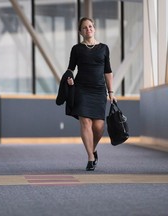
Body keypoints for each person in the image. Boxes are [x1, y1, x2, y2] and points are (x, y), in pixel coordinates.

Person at [66, 17, 116, 171]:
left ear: (94, 28)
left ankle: (93, 148)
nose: (88, 29)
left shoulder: (104, 48)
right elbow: (70, 69)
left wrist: (111, 92)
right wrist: (69, 78)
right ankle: (90, 157)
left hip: (99, 90)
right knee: (86, 122)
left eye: (90, 26)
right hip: (81, 89)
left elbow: (108, 72)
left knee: (99, 126)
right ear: (80, 31)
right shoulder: (76, 49)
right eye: (84, 27)